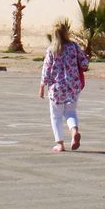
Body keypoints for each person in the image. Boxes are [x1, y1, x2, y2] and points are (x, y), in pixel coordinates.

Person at [38, 22, 89, 153]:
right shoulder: (74, 47)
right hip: (73, 85)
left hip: (57, 87)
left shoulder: (51, 50)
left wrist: (42, 85)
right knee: (70, 112)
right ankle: (74, 131)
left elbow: (47, 69)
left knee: (56, 115)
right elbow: (84, 63)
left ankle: (60, 144)